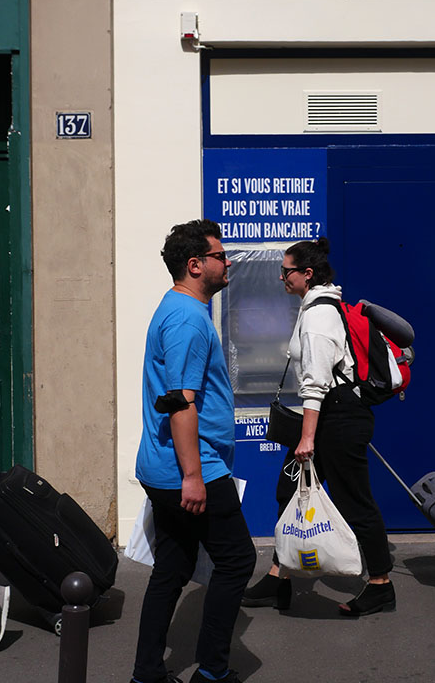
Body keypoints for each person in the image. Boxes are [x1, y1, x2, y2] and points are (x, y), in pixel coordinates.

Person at [242, 236, 395, 617]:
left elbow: (316, 384)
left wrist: (306, 438)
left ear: (307, 274)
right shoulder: (317, 306)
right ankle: (280, 578)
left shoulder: (318, 317)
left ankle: (381, 585)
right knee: (287, 490)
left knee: (354, 501)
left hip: (337, 418)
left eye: (286, 271)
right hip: (330, 416)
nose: (281, 278)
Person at [131, 219, 256, 683]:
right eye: (221, 257)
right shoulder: (186, 318)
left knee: (172, 567)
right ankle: (213, 671)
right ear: (195, 264)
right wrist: (193, 477)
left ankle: (146, 673)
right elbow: (180, 402)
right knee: (238, 559)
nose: (228, 264)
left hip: (166, 465)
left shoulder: (180, 309)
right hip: (191, 465)